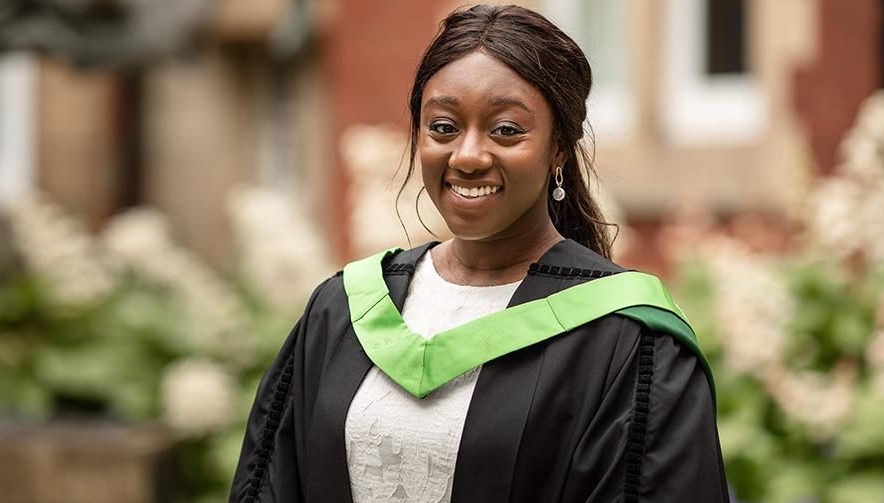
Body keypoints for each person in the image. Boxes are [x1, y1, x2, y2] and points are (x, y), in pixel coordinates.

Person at [229, 4, 729, 502]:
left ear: (559, 147)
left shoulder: (626, 338)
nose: (468, 156)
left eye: (506, 130)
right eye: (443, 127)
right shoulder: (342, 310)